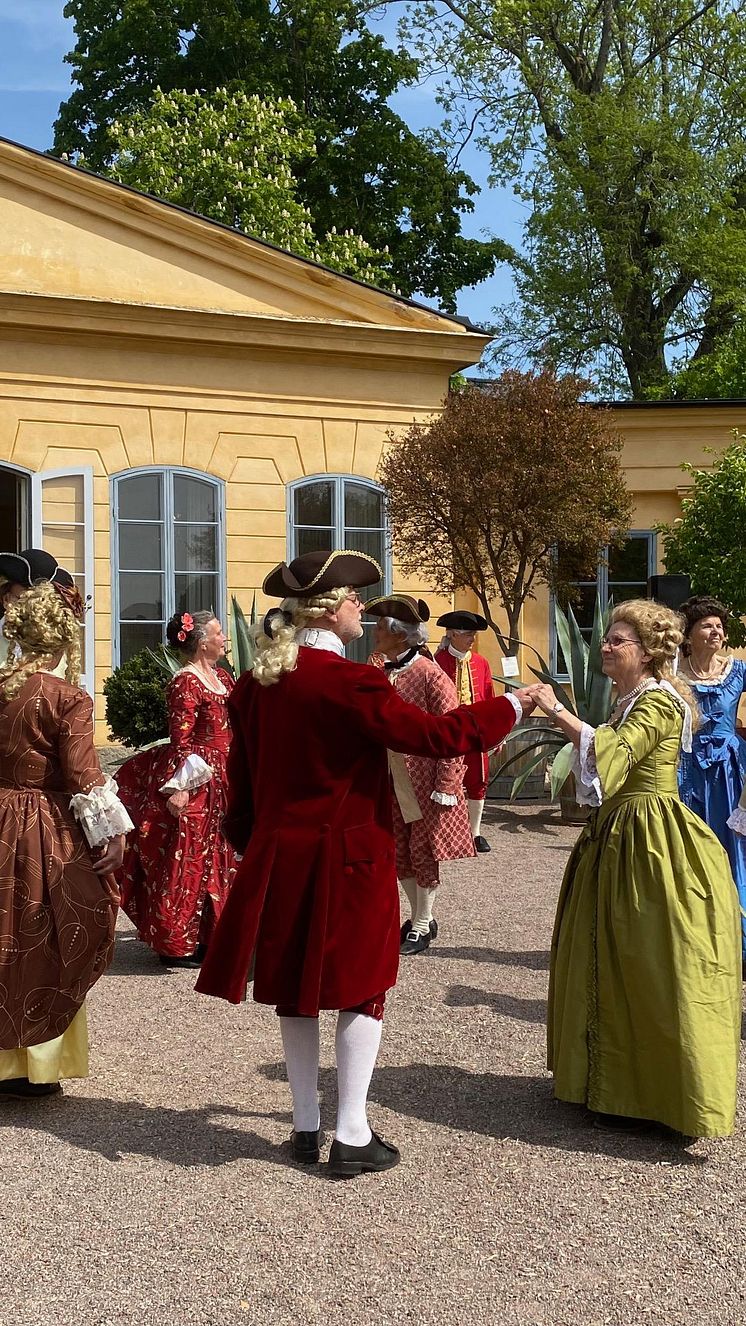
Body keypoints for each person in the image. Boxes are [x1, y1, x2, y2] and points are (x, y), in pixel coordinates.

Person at [196, 550, 535, 1176]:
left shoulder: (256, 683)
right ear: (332, 609)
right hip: (350, 854)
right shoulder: (353, 682)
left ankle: (305, 1124)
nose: (363, 609)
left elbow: (241, 780)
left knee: (295, 986)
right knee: (363, 984)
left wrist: (249, 839)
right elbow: (435, 737)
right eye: (355, 599)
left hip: (281, 850)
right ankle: (351, 1129)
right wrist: (513, 708)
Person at [529, 600, 741, 1139]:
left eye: (618, 639)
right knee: (612, 956)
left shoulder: (659, 703)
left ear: (647, 653)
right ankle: (612, 1082)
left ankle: (662, 1094)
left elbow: (614, 752)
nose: (606, 645)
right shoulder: (630, 697)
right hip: (619, 836)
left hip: (652, 842)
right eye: (606, 637)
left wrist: (556, 709)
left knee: (653, 961)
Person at [0, 582, 132, 1098]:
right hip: (41, 828)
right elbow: (84, 775)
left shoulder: (3, 687)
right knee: (44, 932)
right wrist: (112, 836)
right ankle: (35, 1065)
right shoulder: (66, 698)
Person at [116, 610, 237, 968]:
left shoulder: (224, 678)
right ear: (202, 642)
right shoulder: (185, 682)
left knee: (221, 856)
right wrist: (180, 788)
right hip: (198, 777)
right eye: (219, 633)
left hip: (225, 777)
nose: (225, 638)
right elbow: (181, 741)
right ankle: (176, 942)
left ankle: (212, 936)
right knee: (188, 857)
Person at [366, 594, 475, 956]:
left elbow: (453, 729)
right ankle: (416, 918)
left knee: (423, 850)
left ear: (399, 634)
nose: (376, 632)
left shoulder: (429, 673)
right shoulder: (381, 671)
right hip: (391, 777)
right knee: (399, 850)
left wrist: (447, 782)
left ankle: (424, 922)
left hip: (425, 780)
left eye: (381, 627)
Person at [676, 595, 746, 960]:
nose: (717, 630)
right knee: (690, 846)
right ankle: (693, 933)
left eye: (720, 625)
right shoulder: (673, 675)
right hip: (685, 770)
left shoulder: (737, 671)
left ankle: (736, 935)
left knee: (731, 845)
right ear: (689, 634)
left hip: (729, 772)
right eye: (708, 625)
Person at [435, 611, 495, 851]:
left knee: (478, 779)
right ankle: (443, 831)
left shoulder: (481, 663)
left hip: (475, 731)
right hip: (446, 730)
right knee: (443, 779)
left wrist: (494, 733)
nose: (472, 639)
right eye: (468, 634)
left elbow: (490, 698)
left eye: (473, 635)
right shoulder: (437, 661)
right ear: (452, 634)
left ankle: (475, 833)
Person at [0, 547, 82, 668]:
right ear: (6, 599)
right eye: (25, 600)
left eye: (42, 602)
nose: (34, 609)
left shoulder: (58, 650)